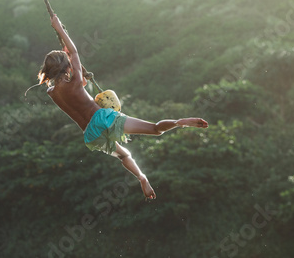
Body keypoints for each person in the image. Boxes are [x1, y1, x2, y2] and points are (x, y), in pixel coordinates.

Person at [35, 14, 208, 200]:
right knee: (156, 129)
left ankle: (141, 177)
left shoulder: (52, 93)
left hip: (91, 134)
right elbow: (76, 53)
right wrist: (59, 29)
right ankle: (179, 122)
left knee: (123, 156)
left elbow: (74, 89)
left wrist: (68, 61)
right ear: (67, 67)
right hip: (104, 119)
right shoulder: (75, 81)